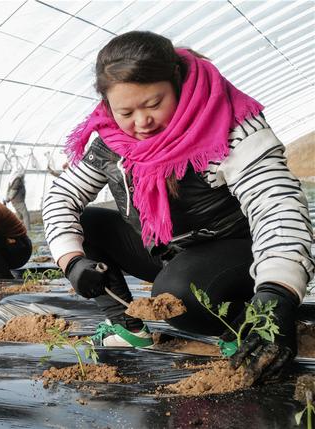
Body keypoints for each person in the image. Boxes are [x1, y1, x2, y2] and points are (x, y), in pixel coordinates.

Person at [42, 31, 313, 383]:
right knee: (88, 223)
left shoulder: (229, 124)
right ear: (108, 106)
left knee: (177, 296)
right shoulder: (110, 138)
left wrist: (277, 295)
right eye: (126, 111)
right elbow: (61, 196)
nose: (141, 123)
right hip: (170, 250)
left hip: (234, 251)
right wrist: (72, 262)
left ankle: (245, 322)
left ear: (178, 83)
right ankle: (124, 324)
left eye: (154, 104)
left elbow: (277, 206)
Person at [2, 164, 31, 230]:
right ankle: (27, 229)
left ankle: (17, 228)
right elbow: (13, 191)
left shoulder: (16, 179)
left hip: (17, 200)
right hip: (18, 201)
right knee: (25, 214)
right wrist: (7, 199)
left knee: (19, 215)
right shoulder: (17, 180)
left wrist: (8, 199)